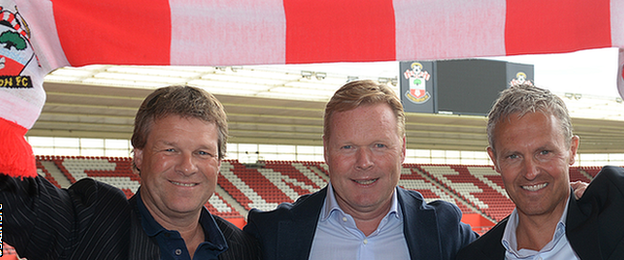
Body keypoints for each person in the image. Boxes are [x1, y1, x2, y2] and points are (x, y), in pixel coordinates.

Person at [0, 85, 260, 260]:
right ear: (139, 156)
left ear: (219, 163)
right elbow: (13, 197)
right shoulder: (89, 222)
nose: (187, 167)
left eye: (203, 153)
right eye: (170, 149)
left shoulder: (243, 248)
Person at [244, 80, 478, 260]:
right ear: (326, 151)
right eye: (348, 147)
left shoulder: (444, 230)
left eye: (379, 145)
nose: (364, 162)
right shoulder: (270, 233)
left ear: (402, 149)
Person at [455, 84, 624, 259]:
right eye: (513, 156)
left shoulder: (616, 216)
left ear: (572, 150)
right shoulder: (473, 256)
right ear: (494, 160)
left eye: (544, 152)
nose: (530, 172)